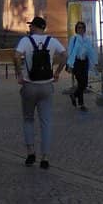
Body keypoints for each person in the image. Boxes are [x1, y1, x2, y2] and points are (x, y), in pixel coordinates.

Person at [14, 14, 66, 168]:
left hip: (29, 85)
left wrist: (19, 74)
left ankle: (31, 153)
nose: (29, 27)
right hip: (46, 85)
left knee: (28, 119)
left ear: (35, 27)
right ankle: (45, 157)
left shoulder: (26, 41)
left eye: (31, 25)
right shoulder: (52, 41)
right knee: (46, 122)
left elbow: (16, 56)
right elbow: (65, 55)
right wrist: (57, 72)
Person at [66, 20, 98, 112]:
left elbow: (91, 51)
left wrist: (95, 62)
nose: (81, 29)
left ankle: (74, 95)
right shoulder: (74, 39)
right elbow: (71, 52)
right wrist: (70, 64)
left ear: (85, 29)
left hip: (84, 62)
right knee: (81, 83)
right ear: (76, 29)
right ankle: (81, 104)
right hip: (76, 62)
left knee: (84, 84)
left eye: (82, 27)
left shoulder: (87, 39)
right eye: (79, 27)